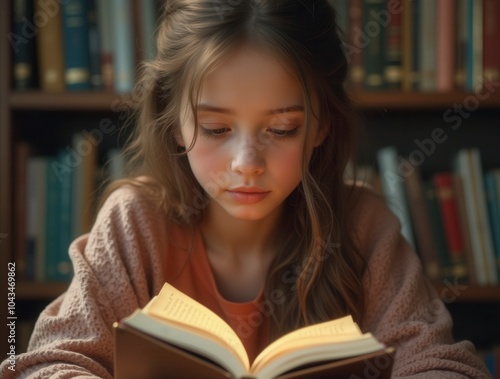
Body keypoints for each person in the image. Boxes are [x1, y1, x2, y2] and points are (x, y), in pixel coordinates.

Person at [2, 1, 492, 378]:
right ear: (174, 123)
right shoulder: (135, 222)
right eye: (215, 129)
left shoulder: (362, 225)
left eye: (281, 131)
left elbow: (444, 365)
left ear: (321, 127)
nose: (247, 165)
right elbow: (52, 360)